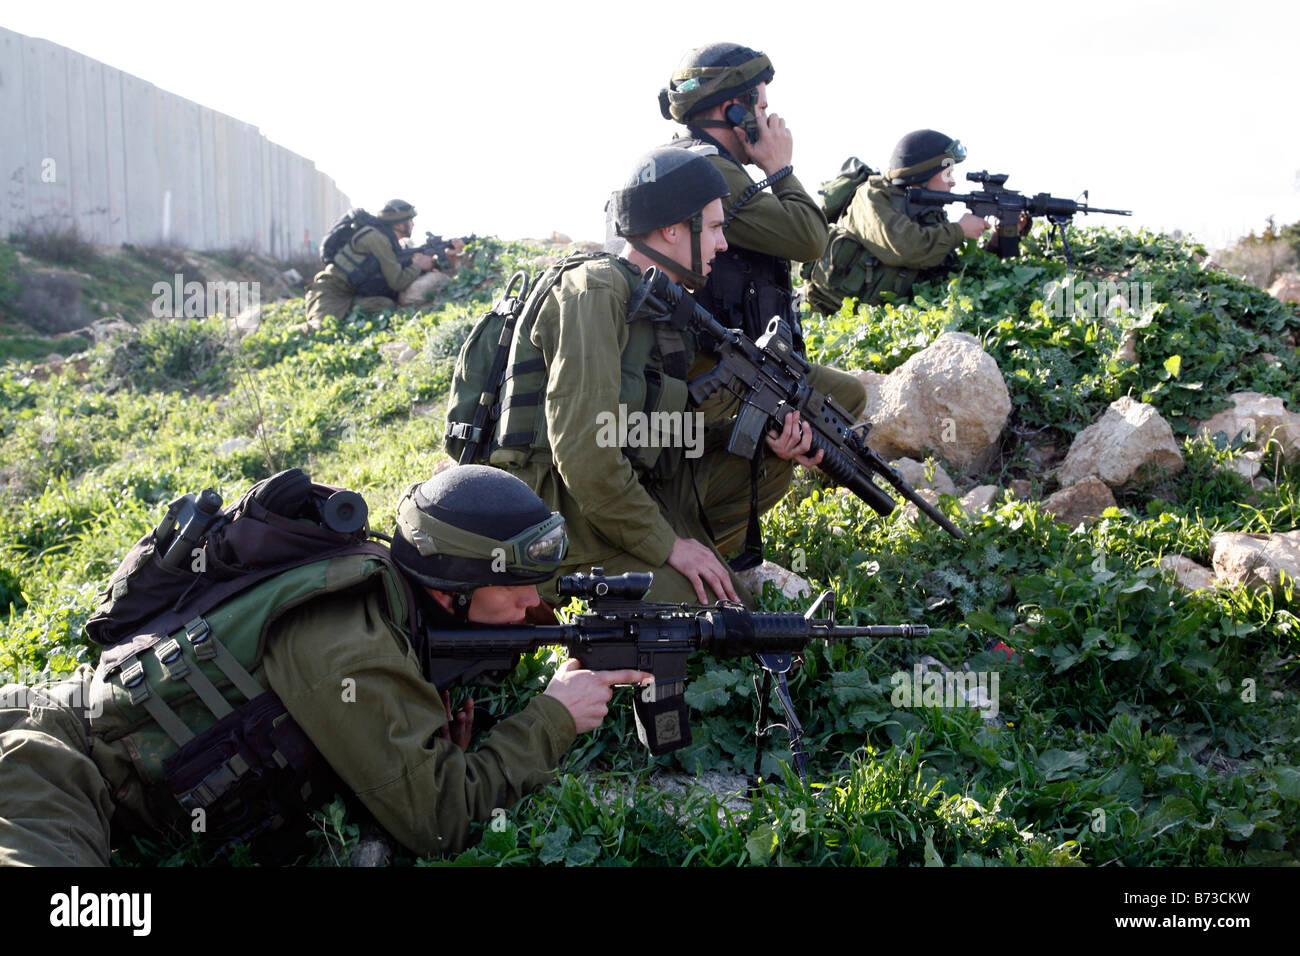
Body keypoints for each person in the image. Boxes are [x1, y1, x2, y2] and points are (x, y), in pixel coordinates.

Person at [0, 465, 649, 866]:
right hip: (48, 761)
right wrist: (554, 717)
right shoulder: (349, 642)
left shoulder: (392, 599)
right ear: (452, 586)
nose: (533, 603)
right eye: (517, 589)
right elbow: (438, 820)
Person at [487, 146, 823, 609]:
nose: (723, 244)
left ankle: (678, 555)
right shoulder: (595, 291)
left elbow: (661, 427)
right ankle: (560, 588)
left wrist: (766, 438)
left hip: (634, 487)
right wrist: (667, 545)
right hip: (560, 512)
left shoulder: (662, 302)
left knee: (763, 465)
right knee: (713, 622)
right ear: (671, 229)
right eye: (713, 228)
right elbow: (586, 452)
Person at [658, 43, 868, 563]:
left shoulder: (699, 163)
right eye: (759, 106)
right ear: (733, 111)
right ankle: (707, 555)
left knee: (840, 398)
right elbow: (808, 237)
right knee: (780, 433)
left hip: (724, 362)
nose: (768, 118)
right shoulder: (710, 172)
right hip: (699, 377)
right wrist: (780, 167)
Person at [805, 129, 989, 314]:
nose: (952, 182)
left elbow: (951, 271)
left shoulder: (929, 212)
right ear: (923, 173)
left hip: (880, 320)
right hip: (827, 316)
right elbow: (905, 248)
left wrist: (994, 241)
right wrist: (959, 231)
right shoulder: (872, 196)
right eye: (947, 174)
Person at [304, 198, 451, 324]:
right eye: (410, 220)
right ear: (399, 224)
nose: (413, 224)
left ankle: (345, 316)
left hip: (352, 295)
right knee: (319, 328)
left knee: (385, 305)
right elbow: (397, 282)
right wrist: (418, 265)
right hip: (330, 290)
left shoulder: (390, 242)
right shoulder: (377, 238)